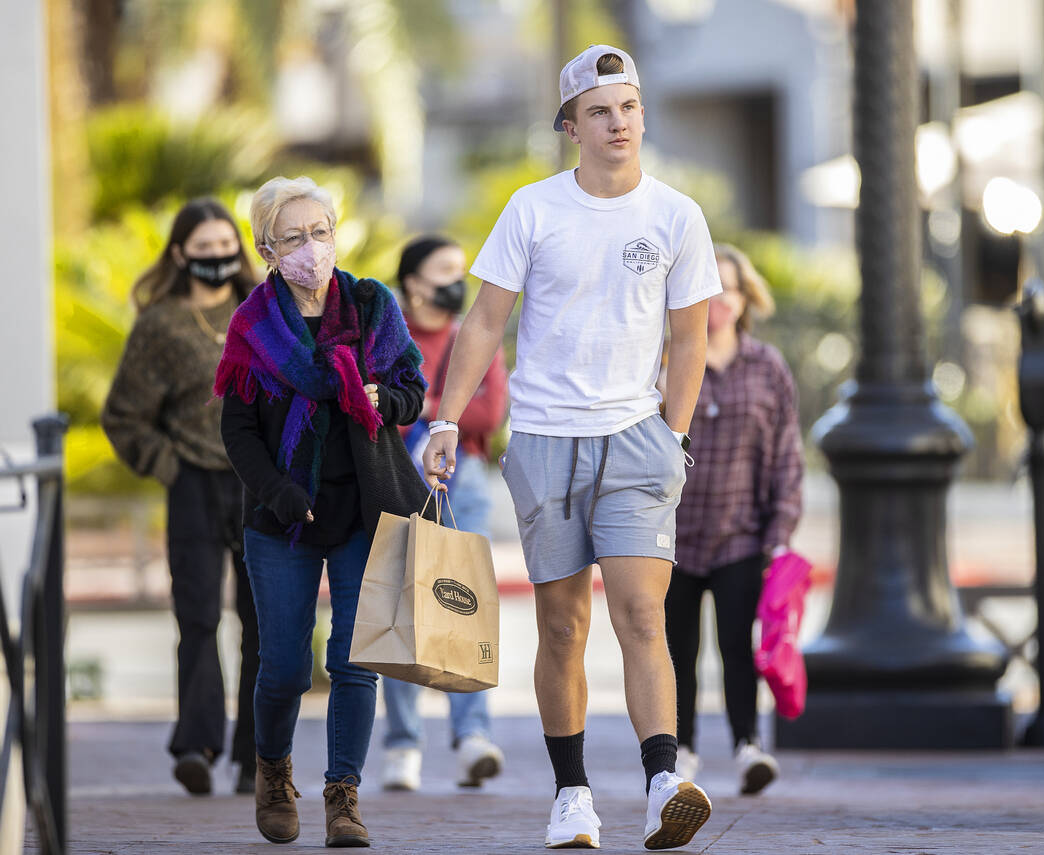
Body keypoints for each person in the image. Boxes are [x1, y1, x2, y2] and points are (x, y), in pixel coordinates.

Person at [422, 45, 721, 851]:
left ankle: (663, 780)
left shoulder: (676, 214)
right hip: (547, 439)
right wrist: (447, 420)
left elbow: (691, 336)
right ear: (571, 126)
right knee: (562, 626)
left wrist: (674, 434)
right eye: (599, 110)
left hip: (637, 441)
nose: (617, 122)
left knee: (642, 614)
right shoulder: (533, 208)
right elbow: (485, 321)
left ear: (642, 116)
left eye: (628, 107)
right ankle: (573, 795)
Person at [216, 176, 426, 848]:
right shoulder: (253, 326)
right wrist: (279, 492)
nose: (312, 247)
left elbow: (412, 390)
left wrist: (378, 398)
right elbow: (239, 431)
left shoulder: (371, 304)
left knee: (353, 659)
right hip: (285, 515)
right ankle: (273, 769)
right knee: (282, 665)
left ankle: (343, 793)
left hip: (364, 507)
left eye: (321, 231)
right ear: (267, 249)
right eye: (294, 237)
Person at [102, 198, 260, 796]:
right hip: (192, 481)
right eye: (204, 249)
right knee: (196, 616)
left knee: (262, 621)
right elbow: (124, 416)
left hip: (258, 482)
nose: (218, 258)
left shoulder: (262, 313)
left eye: (227, 247)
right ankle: (195, 745)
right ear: (179, 253)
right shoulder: (161, 325)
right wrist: (170, 467)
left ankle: (256, 755)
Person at [665, 243, 804, 796]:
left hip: (743, 537)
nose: (719, 300)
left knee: (737, 646)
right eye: (709, 287)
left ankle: (748, 746)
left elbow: (787, 457)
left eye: (729, 289)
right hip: (670, 535)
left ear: (747, 300)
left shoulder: (768, 367)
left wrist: (780, 533)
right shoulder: (667, 359)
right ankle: (682, 753)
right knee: (676, 651)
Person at [379, 235, 508, 791]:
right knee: (399, 606)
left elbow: (488, 411)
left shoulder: (471, 335)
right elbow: (374, 401)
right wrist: (441, 406)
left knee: (464, 607)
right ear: (412, 280)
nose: (458, 280)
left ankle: (472, 736)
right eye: (445, 270)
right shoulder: (387, 334)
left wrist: (422, 404)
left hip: (465, 481)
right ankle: (404, 744)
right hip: (394, 474)